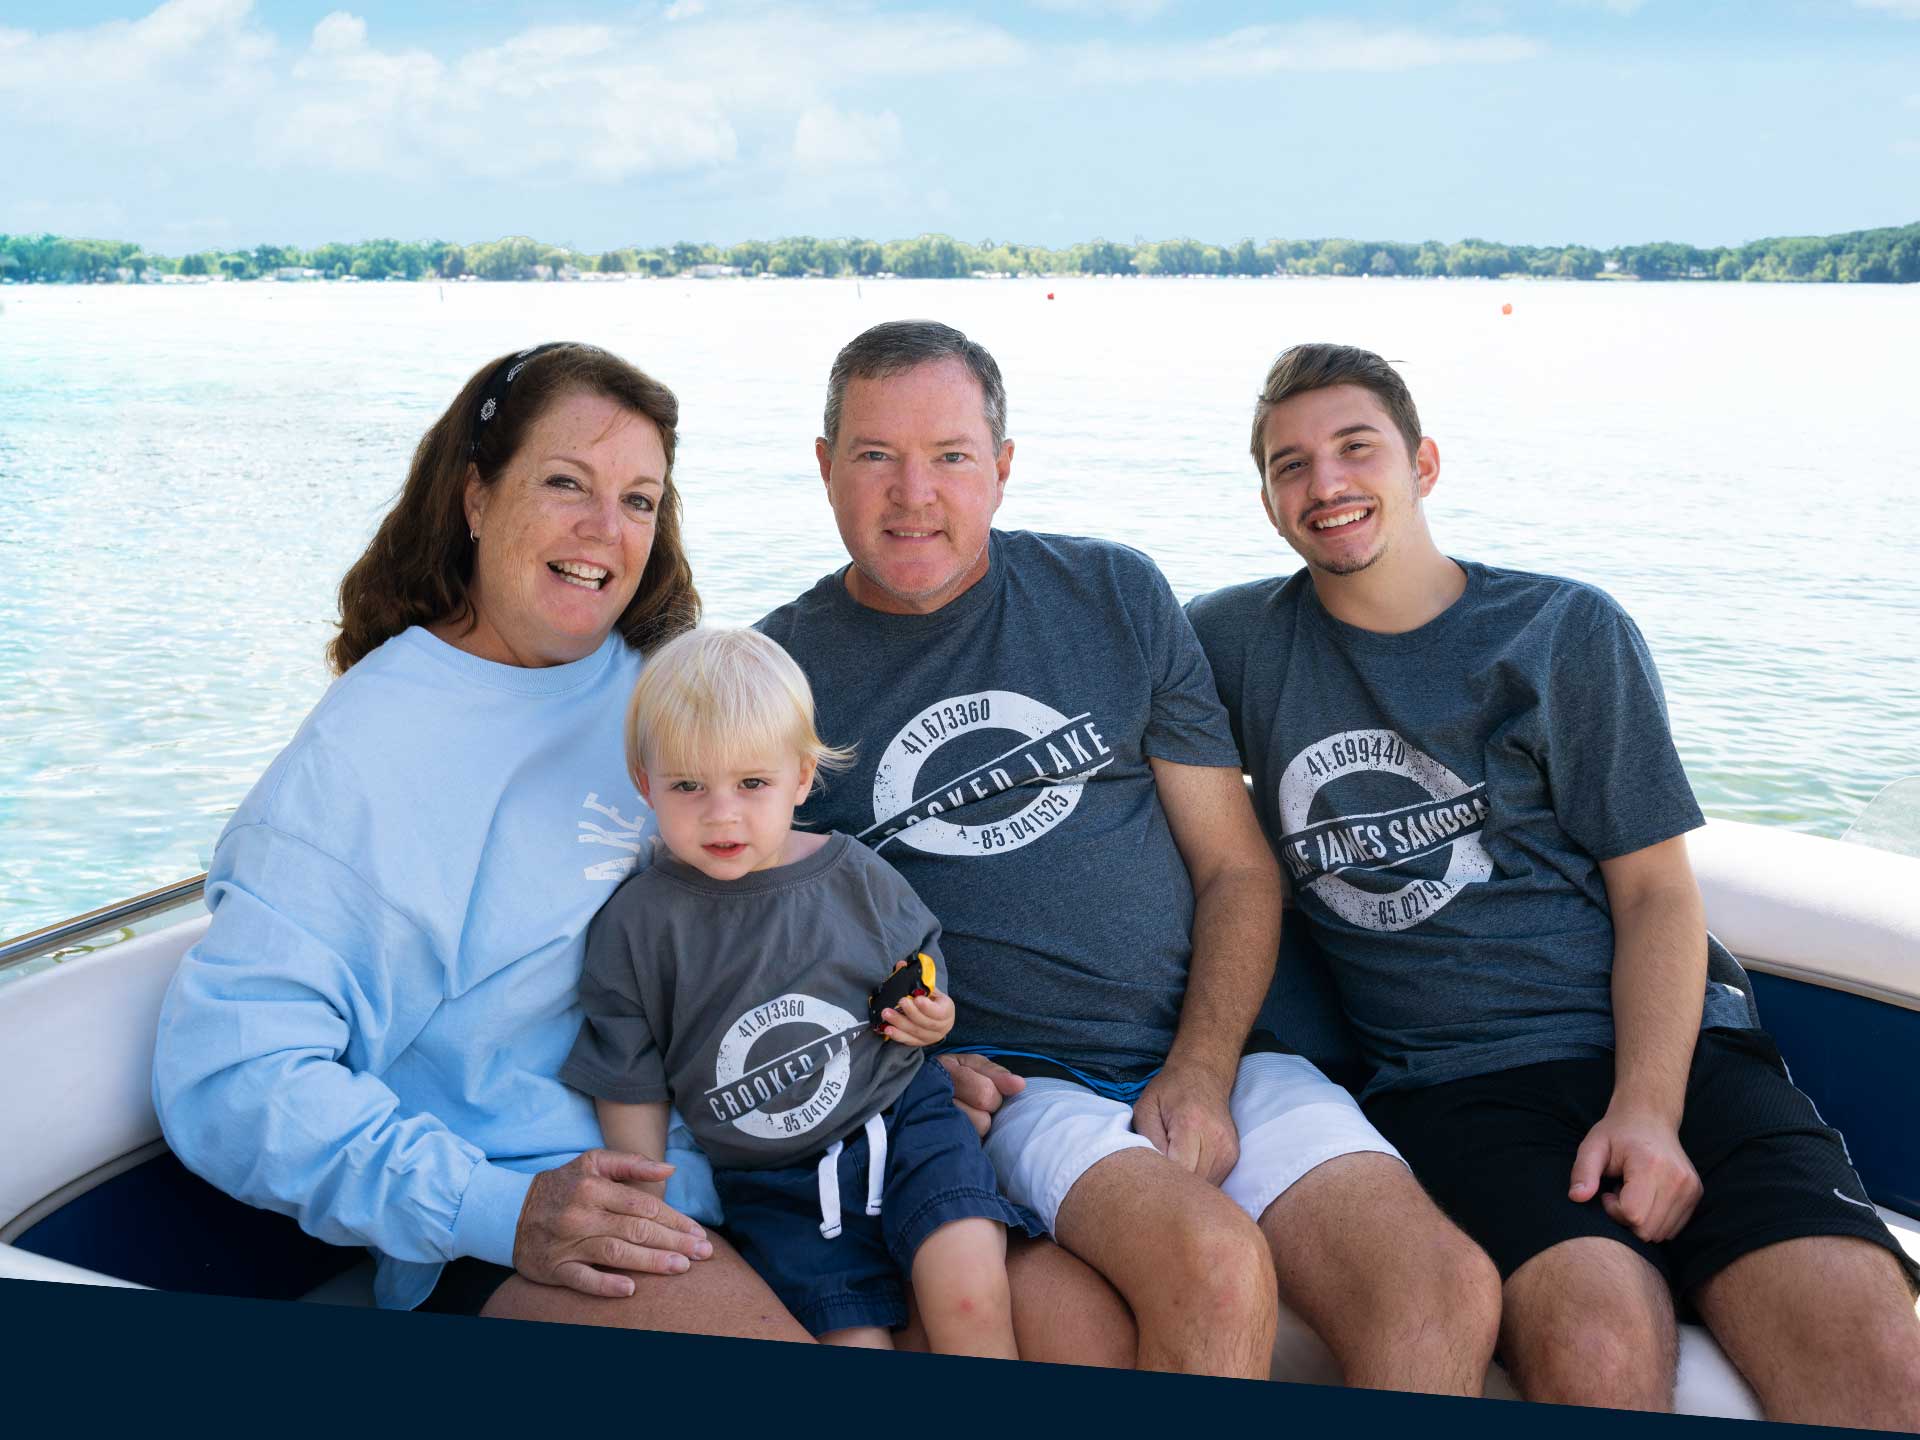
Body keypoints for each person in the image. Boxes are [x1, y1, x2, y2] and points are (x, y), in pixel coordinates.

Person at [149, 342, 1121, 1354]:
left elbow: (771, 922)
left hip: (781, 1156)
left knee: (1087, 1337)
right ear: (476, 496)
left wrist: (875, 1058)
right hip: (551, 1209)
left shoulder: (656, 693)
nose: (604, 530)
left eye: (639, 500)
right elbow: (229, 1078)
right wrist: (496, 1210)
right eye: (565, 483)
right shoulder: (364, 759)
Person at [1186, 342, 1920, 1426]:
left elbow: (1657, 894)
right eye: (1290, 466)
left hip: (1677, 1054)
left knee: (1875, 1350)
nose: (1326, 483)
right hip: (1455, 1089)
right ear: (1266, 502)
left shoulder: (1561, 632)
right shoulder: (1234, 642)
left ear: (1423, 464)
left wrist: (1647, 1113)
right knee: (1595, 1340)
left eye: (1356, 448)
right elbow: (1077, 688)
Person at [758, 319, 1502, 1385]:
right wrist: (911, 1070)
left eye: (952, 457)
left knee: (1439, 1287)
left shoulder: (1110, 594)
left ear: (1002, 468)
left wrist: (1202, 1068)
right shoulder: (778, 678)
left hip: (1218, 1052)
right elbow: (766, 946)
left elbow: (1235, 868)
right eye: (876, 455)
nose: (913, 495)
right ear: (826, 465)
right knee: (1214, 1269)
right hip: (1016, 1085)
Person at [562, 626, 1037, 1355]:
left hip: (904, 1124)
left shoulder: (855, 876)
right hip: (774, 1184)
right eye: (688, 786)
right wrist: (645, 1196)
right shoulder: (638, 923)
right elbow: (629, 1074)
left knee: (970, 1292)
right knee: (852, 1338)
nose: (722, 813)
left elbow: (921, 968)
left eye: (752, 784)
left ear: (802, 777)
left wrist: (931, 1019)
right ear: (644, 782)